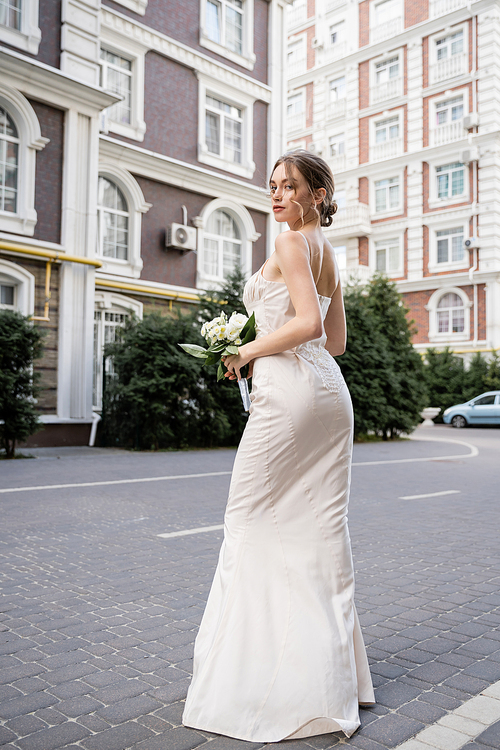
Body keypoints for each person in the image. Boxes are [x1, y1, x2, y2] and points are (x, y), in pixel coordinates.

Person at [182, 150, 375, 742]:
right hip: (328, 397)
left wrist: (243, 350)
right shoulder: (330, 255)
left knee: (247, 520)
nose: (277, 195)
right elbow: (337, 342)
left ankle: (258, 680)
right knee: (317, 529)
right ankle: (331, 678)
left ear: (317, 193)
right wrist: (268, 340)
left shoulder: (292, 243)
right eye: (272, 186)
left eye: (289, 186)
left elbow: (310, 328)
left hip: (290, 395)